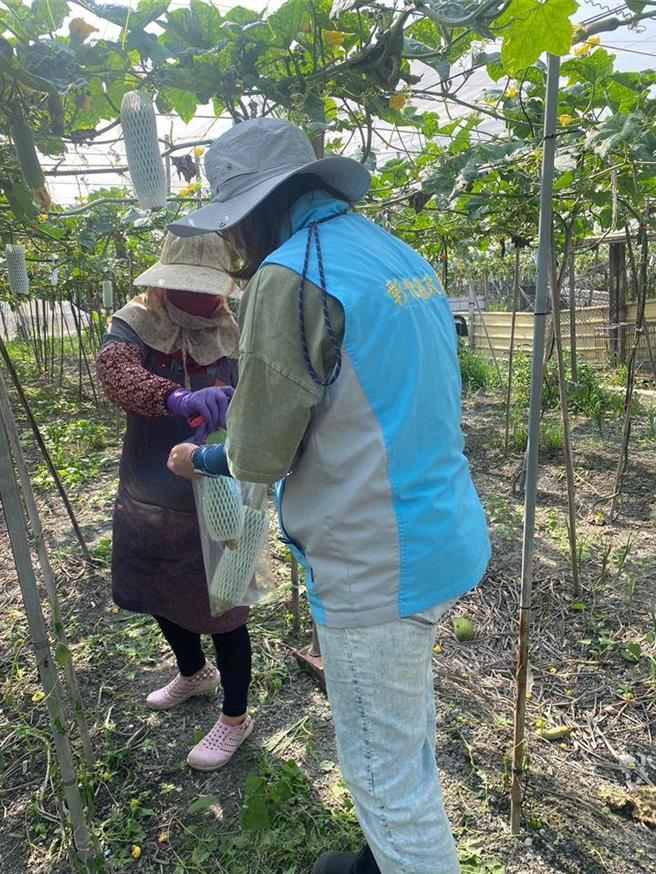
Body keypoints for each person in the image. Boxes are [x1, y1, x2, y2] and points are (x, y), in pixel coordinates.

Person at [167, 119, 491, 873]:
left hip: (375, 563)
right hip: (443, 529)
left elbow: (260, 449)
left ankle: (403, 858)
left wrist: (205, 458)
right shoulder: (393, 252)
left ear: (252, 211)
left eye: (232, 229)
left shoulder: (291, 274)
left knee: (388, 784)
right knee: (400, 733)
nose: (235, 251)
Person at [95, 232, 254, 772]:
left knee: (225, 604)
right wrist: (175, 397)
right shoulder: (139, 319)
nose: (207, 301)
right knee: (159, 585)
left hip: (217, 486)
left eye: (213, 291)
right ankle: (192, 671)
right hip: (148, 482)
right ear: (166, 283)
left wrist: (238, 403)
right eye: (193, 289)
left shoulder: (234, 324)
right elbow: (115, 372)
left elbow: (263, 387)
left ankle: (235, 718)